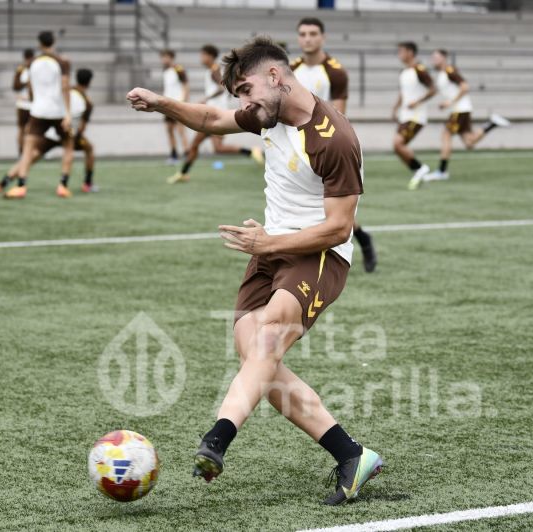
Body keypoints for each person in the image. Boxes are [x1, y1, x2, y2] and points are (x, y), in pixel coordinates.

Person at [127, 36, 383, 506]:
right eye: (238, 96)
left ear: (275, 76)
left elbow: (339, 226)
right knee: (258, 364)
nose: (243, 104)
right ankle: (352, 455)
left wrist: (271, 242)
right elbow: (210, 120)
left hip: (318, 253)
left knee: (264, 347)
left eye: (245, 90)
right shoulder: (268, 114)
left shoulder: (334, 138)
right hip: (269, 249)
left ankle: (217, 438)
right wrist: (162, 103)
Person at [292, 17, 377, 273]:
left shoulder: (335, 72)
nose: (308, 38)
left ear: (323, 37)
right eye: (303, 34)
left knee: (329, 208)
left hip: (325, 151)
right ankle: (360, 238)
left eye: (313, 33)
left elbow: (338, 117)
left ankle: (354, 243)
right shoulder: (291, 69)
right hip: (295, 151)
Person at [411, 49, 510, 188]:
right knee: (469, 143)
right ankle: (491, 123)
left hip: (460, 110)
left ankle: (442, 171)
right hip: (461, 110)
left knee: (445, 135)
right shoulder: (441, 74)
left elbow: (465, 87)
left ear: (444, 58)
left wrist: (450, 102)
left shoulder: (449, 71)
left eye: (436, 57)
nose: (433, 60)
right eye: (432, 57)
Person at [0, 31, 73, 199]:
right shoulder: (62, 61)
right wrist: (68, 113)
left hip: (38, 110)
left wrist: (33, 101)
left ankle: (21, 186)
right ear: (54, 42)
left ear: (39, 44)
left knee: (28, 148)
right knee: (68, 145)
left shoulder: (32, 63)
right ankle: (63, 185)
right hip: (57, 111)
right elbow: (65, 87)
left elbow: (30, 87)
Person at [168, 44, 263, 184]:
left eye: (203, 55)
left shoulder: (214, 70)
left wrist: (206, 99)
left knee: (218, 148)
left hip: (217, 117)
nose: (201, 58)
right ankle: (183, 173)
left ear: (210, 56)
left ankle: (251, 152)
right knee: (195, 145)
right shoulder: (211, 70)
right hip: (209, 115)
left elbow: (221, 87)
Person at [0, 68, 96, 194]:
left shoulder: (67, 91)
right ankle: (84, 183)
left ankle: (2, 183)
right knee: (88, 149)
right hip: (69, 132)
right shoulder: (87, 102)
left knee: (32, 156)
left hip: (53, 132)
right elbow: (81, 127)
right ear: (89, 82)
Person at [391, 42, 434, 189]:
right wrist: (396, 108)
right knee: (397, 148)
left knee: (398, 143)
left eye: (401, 51)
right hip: (405, 115)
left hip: (416, 116)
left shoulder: (419, 70)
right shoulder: (403, 72)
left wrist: (417, 101)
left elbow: (433, 89)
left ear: (410, 53)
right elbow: (403, 93)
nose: (399, 54)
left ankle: (421, 169)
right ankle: (419, 172)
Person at [160, 49, 190, 163]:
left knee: (180, 130)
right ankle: (173, 154)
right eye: (162, 57)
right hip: (167, 104)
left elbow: (186, 84)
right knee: (169, 129)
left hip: (177, 103)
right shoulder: (165, 71)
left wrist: (184, 101)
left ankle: (187, 153)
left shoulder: (178, 68)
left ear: (171, 57)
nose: (163, 59)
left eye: (165, 57)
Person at [12, 49, 35, 155]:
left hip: (33, 105)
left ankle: (29, 150)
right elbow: (15, 86)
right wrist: (26, 83)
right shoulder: (21, 70)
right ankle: (21, 151)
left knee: (31, 129)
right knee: (21, 129)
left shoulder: (36, 69)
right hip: (22, 105)